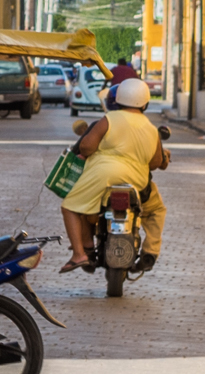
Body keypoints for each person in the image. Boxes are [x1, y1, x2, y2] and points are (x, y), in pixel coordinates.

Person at [56, 66, 168, 273]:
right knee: (156, 209)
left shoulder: (109, 119)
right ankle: (150, 251)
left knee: (70, 206)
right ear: (145, 102)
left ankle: (80, 253)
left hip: (103, 177)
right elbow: (155, 163)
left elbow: (86, 146)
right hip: (138, 180)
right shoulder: (151, 129)